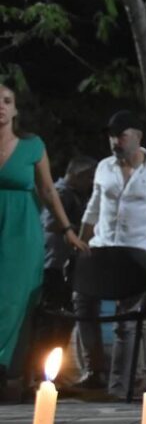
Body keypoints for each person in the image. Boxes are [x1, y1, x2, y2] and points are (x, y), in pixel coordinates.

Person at [76, 110, 146, 397]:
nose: (115, 142)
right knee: (81, 300)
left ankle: (120, 386)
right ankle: (93, 369)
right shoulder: (104, 168)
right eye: (111, 136)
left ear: (138, 137)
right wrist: (80, 244)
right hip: (101, 249)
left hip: (136, 255)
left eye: (120, 135)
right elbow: (93, 210)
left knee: (128, 319)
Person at [0, 84, 88, 393]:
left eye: (7, 101)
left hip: (21, 230)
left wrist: (67, 230)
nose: (1, 106)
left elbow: (49, 190)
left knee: (15, 297)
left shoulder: (32, 145)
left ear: (15, 110)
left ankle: (8, 369)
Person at [36, 155, 97, 378]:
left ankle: (49, 371)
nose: (91, 183)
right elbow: (51, 223)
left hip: (57, 264)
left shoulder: (71, 194)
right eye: (89, 178)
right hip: (55, 265)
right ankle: (44, 370)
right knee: (54, 321)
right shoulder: (62, 194)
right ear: (79, 175)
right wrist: (73, 230)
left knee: (59, 321)